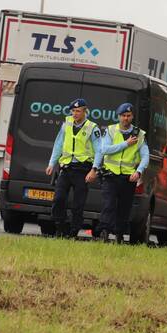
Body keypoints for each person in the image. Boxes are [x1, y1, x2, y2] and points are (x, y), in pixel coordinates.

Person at [46, 98, 103, 238]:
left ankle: (73, 231)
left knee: (78, 204)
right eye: (73, 111)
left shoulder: (92, 128)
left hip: (82, 170)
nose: (75, 114)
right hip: (65, 168)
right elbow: (58, 144)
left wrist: (94, 170)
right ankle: (60, 227)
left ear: (85, 111)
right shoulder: (67, 123)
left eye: (78, 111)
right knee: (58, 199)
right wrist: (51, 163)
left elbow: (99, 151)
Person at [96, 103, 149, 242]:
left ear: (132, 117)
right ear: (119, 116)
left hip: (128, 178)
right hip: (110, 175)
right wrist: (126, 144)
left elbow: (145, 156)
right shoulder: (111, 130)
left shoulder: (139, 134)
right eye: (123, 116)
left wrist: (138, 172)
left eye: (128, 116)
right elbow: (104, 150)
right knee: (109, 204)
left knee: (124, 208)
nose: (126, 118)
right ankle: (105, 231)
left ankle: (119, 234)